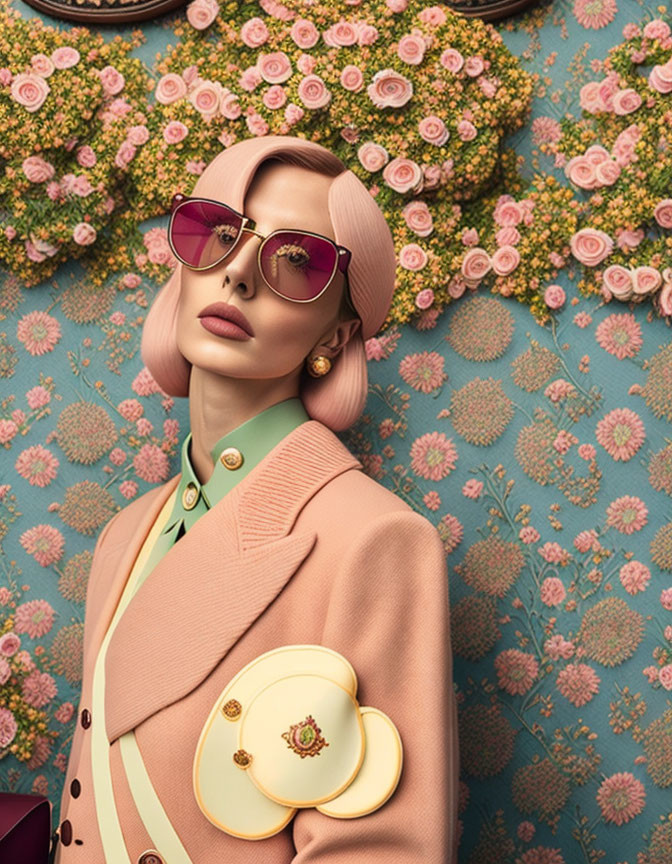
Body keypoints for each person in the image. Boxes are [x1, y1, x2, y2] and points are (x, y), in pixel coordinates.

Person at [53, 135, 458, 864]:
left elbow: (378, 851)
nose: (238, 274)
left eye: (295, 260)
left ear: (334, 334)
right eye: (214, 234)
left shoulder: (375, 538)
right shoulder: (125, 533)